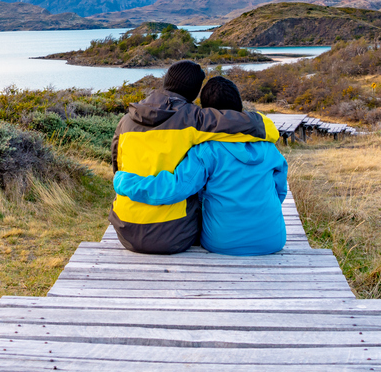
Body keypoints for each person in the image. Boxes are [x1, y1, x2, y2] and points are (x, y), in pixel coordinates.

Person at [110, 61, 280, 254]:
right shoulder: (193, 118)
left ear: (166, 81)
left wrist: (123, 183)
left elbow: (117, 166)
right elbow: (236, 122)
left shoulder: (125, 122)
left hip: (125, 229)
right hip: (174, 235)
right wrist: (268, 127)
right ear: (193, 93)